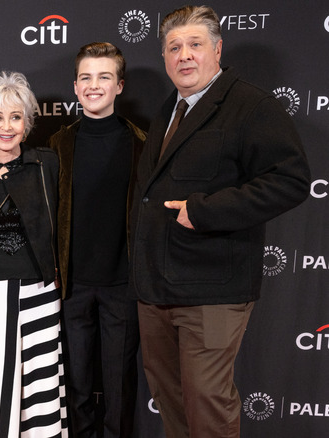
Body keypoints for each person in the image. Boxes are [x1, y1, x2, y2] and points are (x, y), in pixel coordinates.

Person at [130, 6, 311, 438]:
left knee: (207, 403)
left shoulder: (251, 105)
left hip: (212, 288)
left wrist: (205, 210)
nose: (184, 55)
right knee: (171, 402)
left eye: (195, 45)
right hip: (156, 289)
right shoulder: (169, 110)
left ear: (217, 49)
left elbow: (290, 181)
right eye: (174, 47)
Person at [0, 71, 68, 438]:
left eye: (16, 117)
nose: (7, 127)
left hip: (39, 290)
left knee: (41, 386)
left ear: (28, 123)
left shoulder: (46, 164)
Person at [48, 42, 145, 438]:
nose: (94, 85)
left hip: (123, 284)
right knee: (77, 382)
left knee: (120, 383)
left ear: (119, 85)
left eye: (104, 77)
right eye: (86, 77)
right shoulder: (58, 144)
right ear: (74, 86)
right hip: (71, 285)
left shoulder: (142, 144)